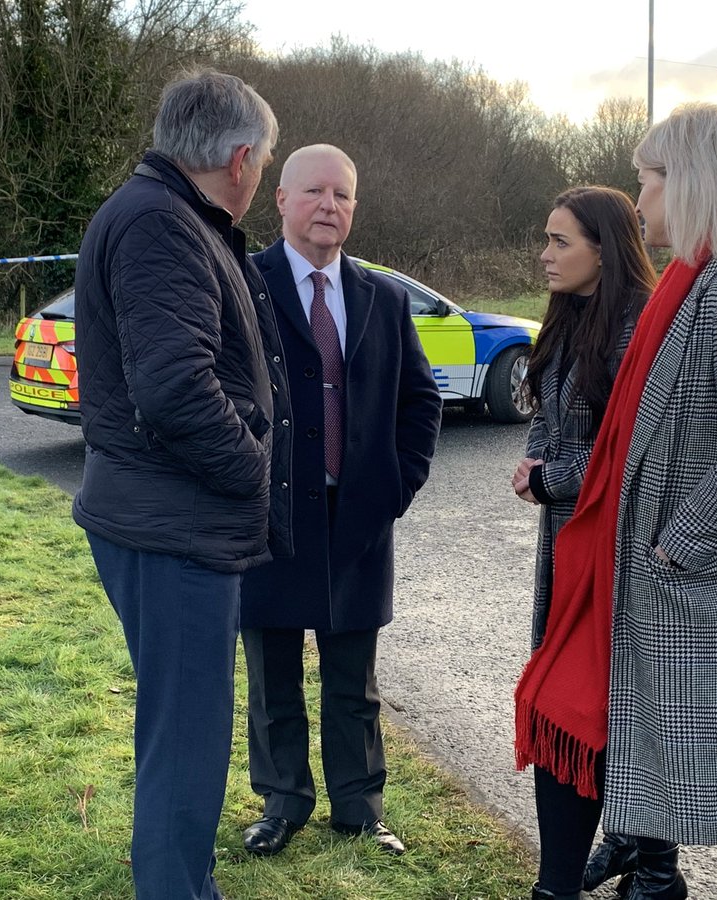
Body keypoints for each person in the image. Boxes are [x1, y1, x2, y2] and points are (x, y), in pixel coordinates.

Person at [515, 102, 717, 900]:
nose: (640, 200)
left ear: (689, 183)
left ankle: (637, 872)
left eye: (648, 180)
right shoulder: (699, 284)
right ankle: (623, 875)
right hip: (687, 597)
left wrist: (671, 546)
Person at [72, 70, 286, 900]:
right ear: (239, 157)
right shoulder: (163, 225)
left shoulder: (164, 214)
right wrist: (252, 476)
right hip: (175, 528)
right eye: (265, 161)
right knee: (187, 744)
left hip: (165, 519)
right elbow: (174, 390)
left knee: (185, 734)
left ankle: (191, 885)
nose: (261, 175)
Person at [238, 143, 442, 859]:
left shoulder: (382, 296)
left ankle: (360, 808)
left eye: (344, 196)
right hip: (269, 519)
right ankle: (283, 803)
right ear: (283, 200)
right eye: (316, 192)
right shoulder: (244, 283)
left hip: (357, 522)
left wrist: (395, 485)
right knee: (274, 676)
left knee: (354, 679)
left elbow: (420, 402)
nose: (331, 206)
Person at [511, 186, 658, 900]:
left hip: (615, 556)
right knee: (594, 704)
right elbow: (547, 411)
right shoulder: (569, 317)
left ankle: (619, 868)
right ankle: (645, 860)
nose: (544, 255)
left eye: (559, 242)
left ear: (604, 248)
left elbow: (629, 453)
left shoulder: (637, 328)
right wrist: (538, 464)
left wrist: (552, 478)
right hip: (568, 546)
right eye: (546, 238)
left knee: (589, 705)